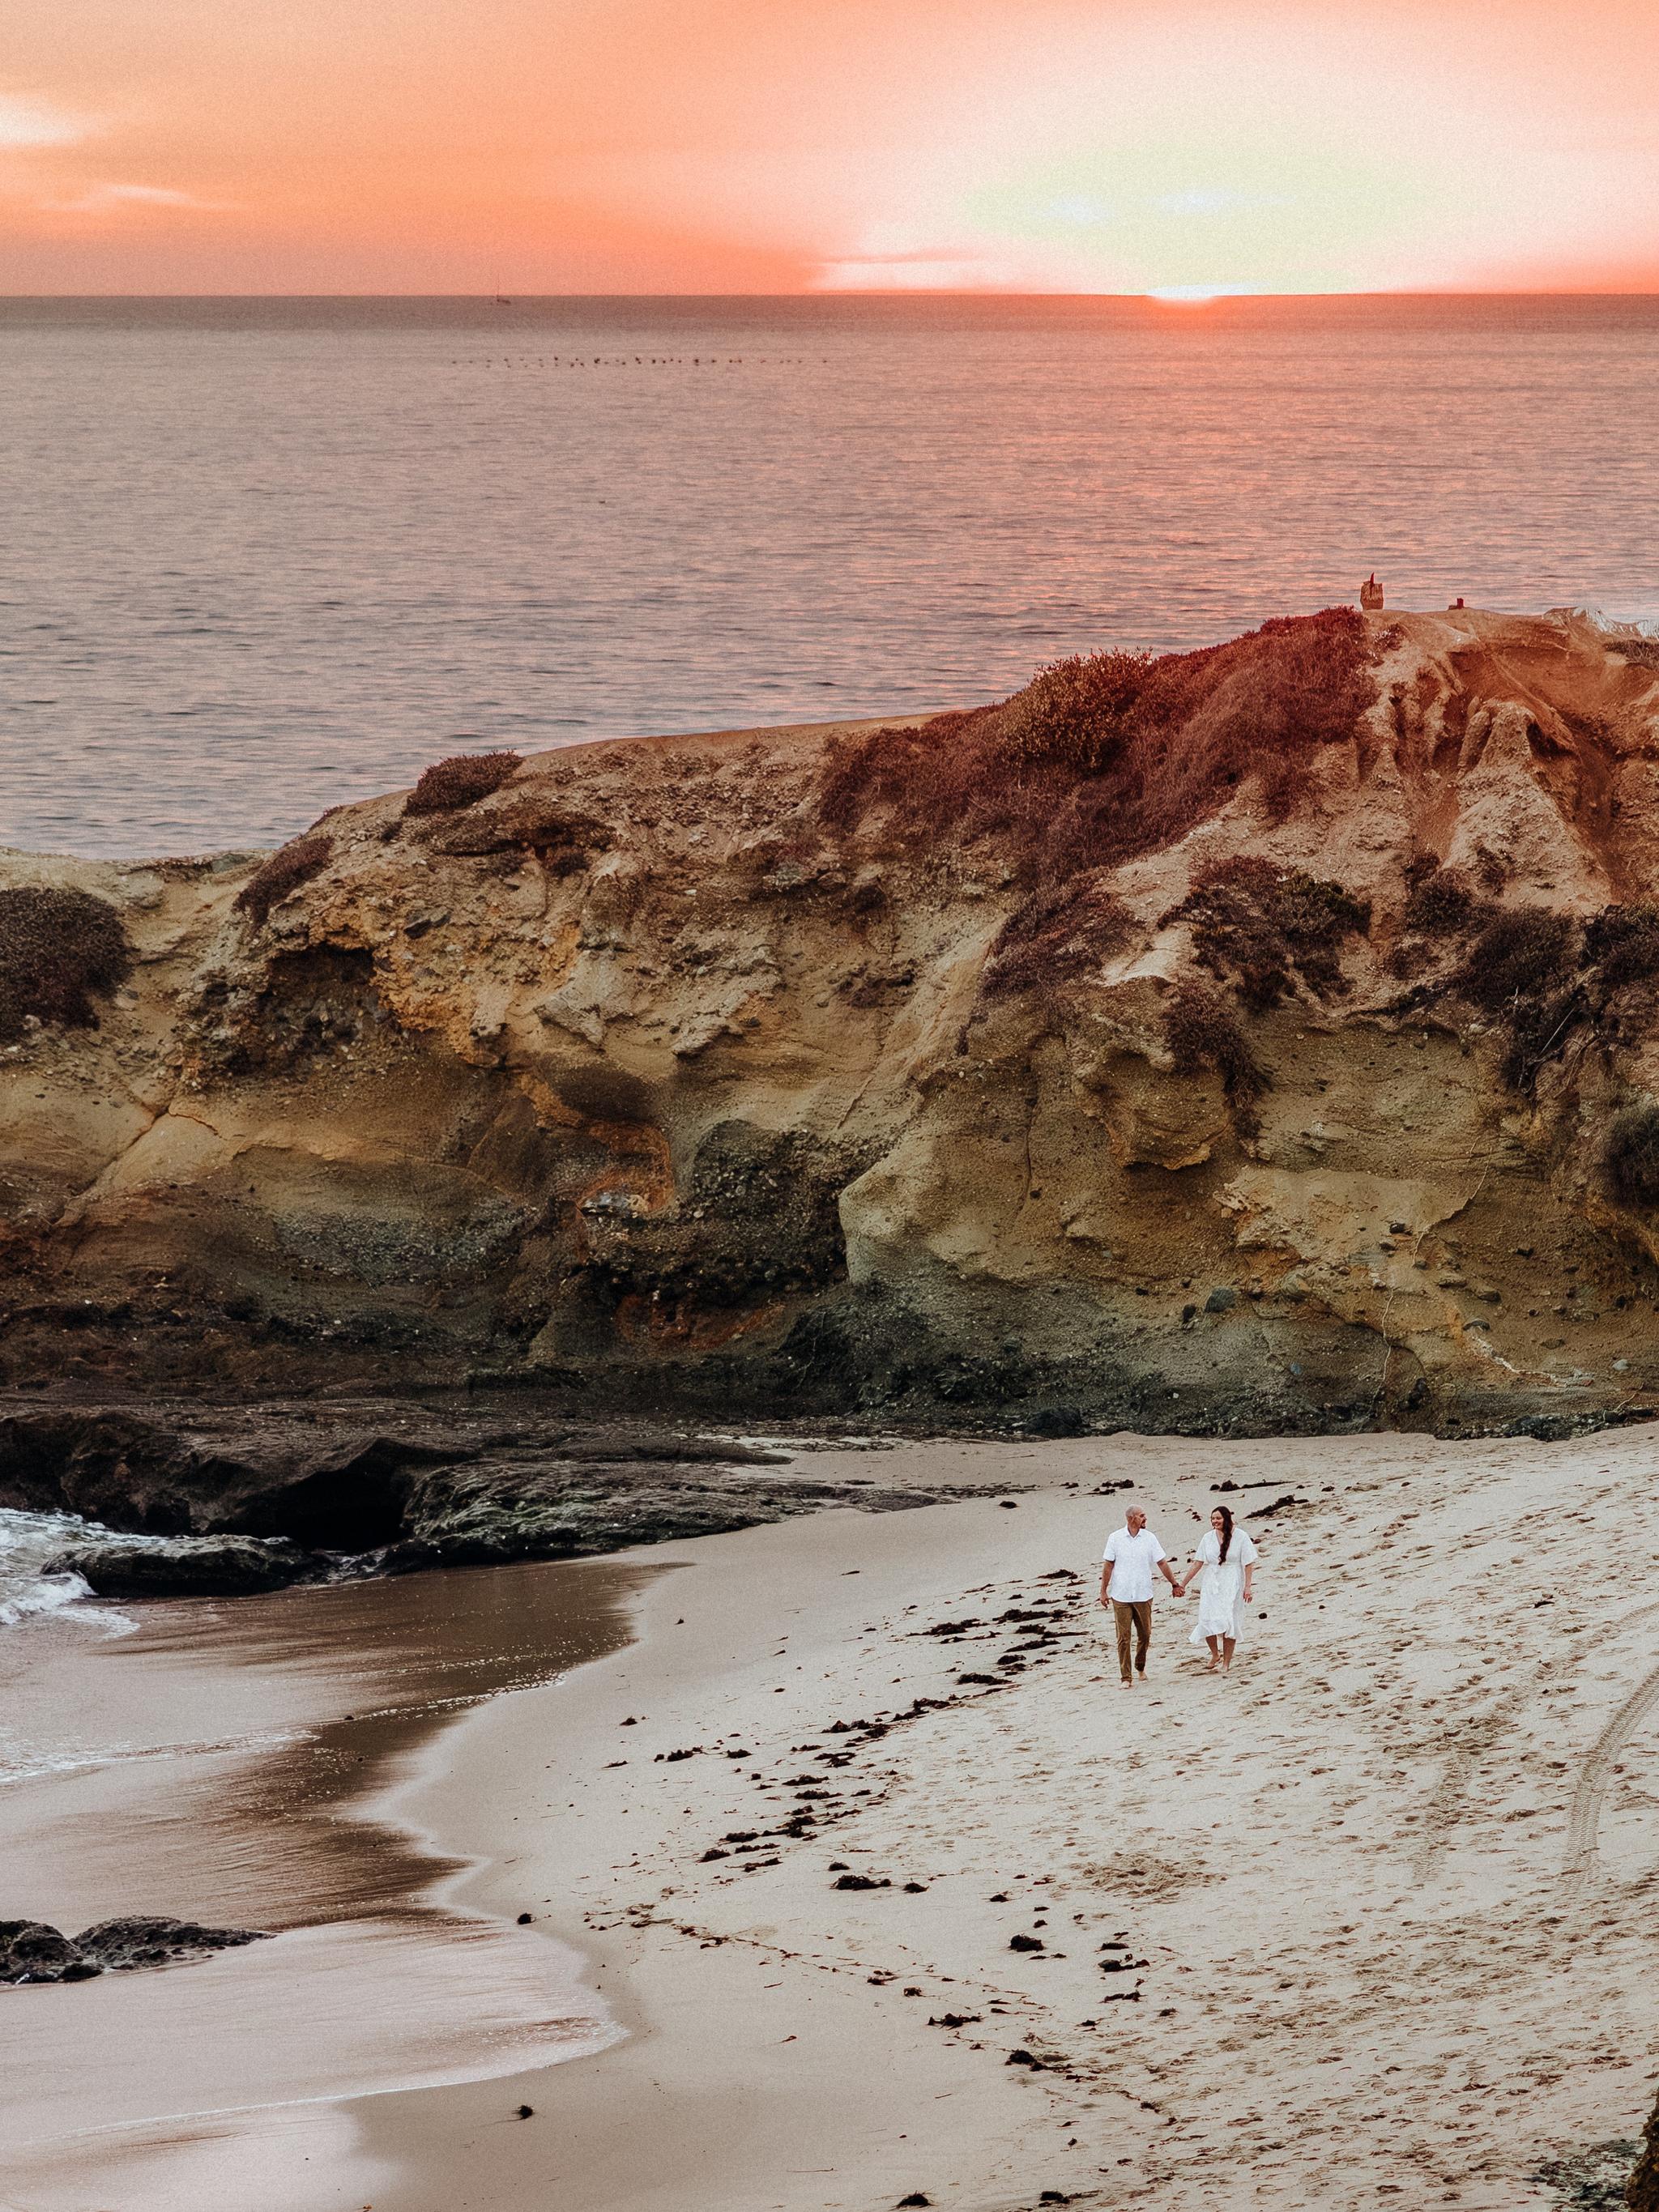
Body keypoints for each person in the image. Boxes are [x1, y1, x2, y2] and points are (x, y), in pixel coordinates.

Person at [1098, 1503, 1182, 1687]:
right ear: (1131, 1518)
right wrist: (1103, 1591)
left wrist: (1174, 1584)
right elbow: (1108, 1565)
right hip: (1121, 1595)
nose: (1145, 1519)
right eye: (1142, 1515)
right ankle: (1126, 1677)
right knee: (1123, 1638)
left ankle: (1140, 1665)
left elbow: (1162, 1563)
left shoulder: (1150, 1538)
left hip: (1144, 1594)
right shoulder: (1115, 1538)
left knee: (1145, 1634)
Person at [1176, 1504, 1257, 1675]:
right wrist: (1182, 1584)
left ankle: (1226, 1662)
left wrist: (1248, 1587)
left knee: (1230, 1621)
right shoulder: (1207, 1538)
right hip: (1212, 1582)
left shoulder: (1241, 1536)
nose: (1215, 1521)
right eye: (1213, 1519)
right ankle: (1215, 1654)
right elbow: (1198, 1563)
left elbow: (1249, 1563)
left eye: (1218, 1518)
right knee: (1207, 1619)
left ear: (1226, 1518)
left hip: (1233, 1581)